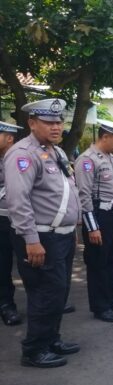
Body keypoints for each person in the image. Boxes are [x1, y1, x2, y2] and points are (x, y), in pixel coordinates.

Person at [4, 98, 81, 368]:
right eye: (49, 122)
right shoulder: (23, 154)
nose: (56, 126)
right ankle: (34, 350)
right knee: (44, 293)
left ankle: (51, 339)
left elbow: (66, 190)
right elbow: (18, 200)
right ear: (32, 123)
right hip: (40, 237)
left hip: (60, 234)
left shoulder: (55, 152)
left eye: (59, 121)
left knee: (58, 291)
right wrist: (31, 240)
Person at [75, 120, 113, 323]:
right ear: (105, 136)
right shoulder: (87, 160)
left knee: (112, 260)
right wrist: (92, 227)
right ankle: (100, 306)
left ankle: (112, 299)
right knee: (98, 262)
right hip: (100, 217)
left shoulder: (112, 158)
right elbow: (84, 196)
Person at [0, 121, 23, 326]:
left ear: (9, 138)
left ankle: (43, 304)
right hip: (1, 220)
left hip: (23, 219)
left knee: (31, 263)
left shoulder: (21, 158)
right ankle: (7, 306)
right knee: (3, 264)